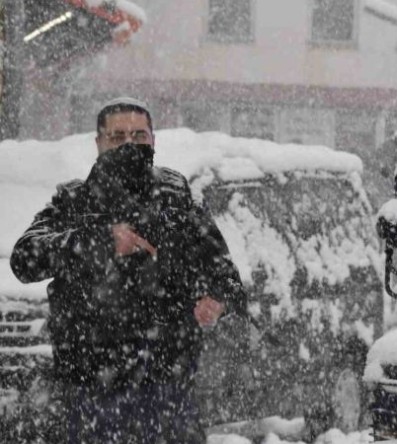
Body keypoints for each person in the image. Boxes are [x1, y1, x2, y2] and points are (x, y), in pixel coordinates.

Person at [10, 97, 246, 443]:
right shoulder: (75, 202)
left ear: (153, 140)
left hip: (166, 389)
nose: (129, 146)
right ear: (99, 143)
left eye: (138, 136)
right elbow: (24, 259)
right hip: (90, 389)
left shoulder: (175, 199)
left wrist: (216, 301)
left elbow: (225, 275)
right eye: (117, 137)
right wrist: (101, 242)